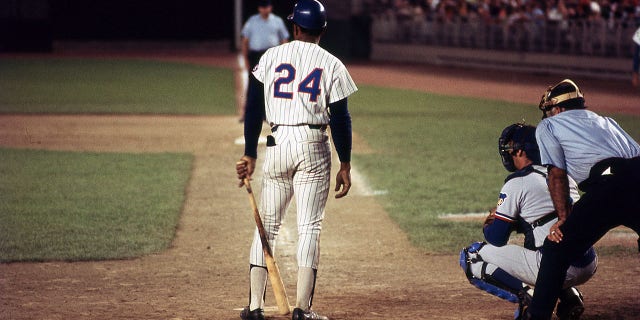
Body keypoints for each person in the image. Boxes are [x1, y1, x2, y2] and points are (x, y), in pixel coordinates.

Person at [235, 1, 358, 319]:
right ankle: (303, 310)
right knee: (309, 227)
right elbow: (341, 119)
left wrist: (250, 152)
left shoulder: (271, 56)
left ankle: (254, 307)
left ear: (295, 28)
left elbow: (252, 109)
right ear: (323, 30)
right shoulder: (332, 63)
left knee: (268, 225)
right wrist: (344, 163)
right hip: (314, 145)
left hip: (277, 144)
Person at [524, 79, 640, 319]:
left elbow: (556, 175)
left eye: (548, 111)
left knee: (556, 248)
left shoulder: (549, 126)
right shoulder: (607, 121)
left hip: (610, 185)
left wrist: (564, 219)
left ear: (557, 109)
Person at [459, 123, 597, 320]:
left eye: (510, 149)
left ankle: (529, 295)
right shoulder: (561, 174)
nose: (508, 153)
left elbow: (496, 238)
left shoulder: (517, 182)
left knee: (471, 255)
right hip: (588, 262)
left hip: (560, 268)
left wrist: (490, 220)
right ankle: (569, 296)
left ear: (521, 151)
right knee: (536, 237)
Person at [239, 0, 290, 122]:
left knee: (272, 85)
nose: (264, 9)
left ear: (270, 7)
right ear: (259, 8)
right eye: (262, 7)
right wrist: (245, 58)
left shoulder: (277, 21)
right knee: (253, 85)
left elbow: (284, 40)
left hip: (273, 55)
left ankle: (269, 115)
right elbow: (245, 41)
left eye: (266, 7)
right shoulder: (252, 21)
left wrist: (285, 57)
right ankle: (248, 115)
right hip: (256, 56)